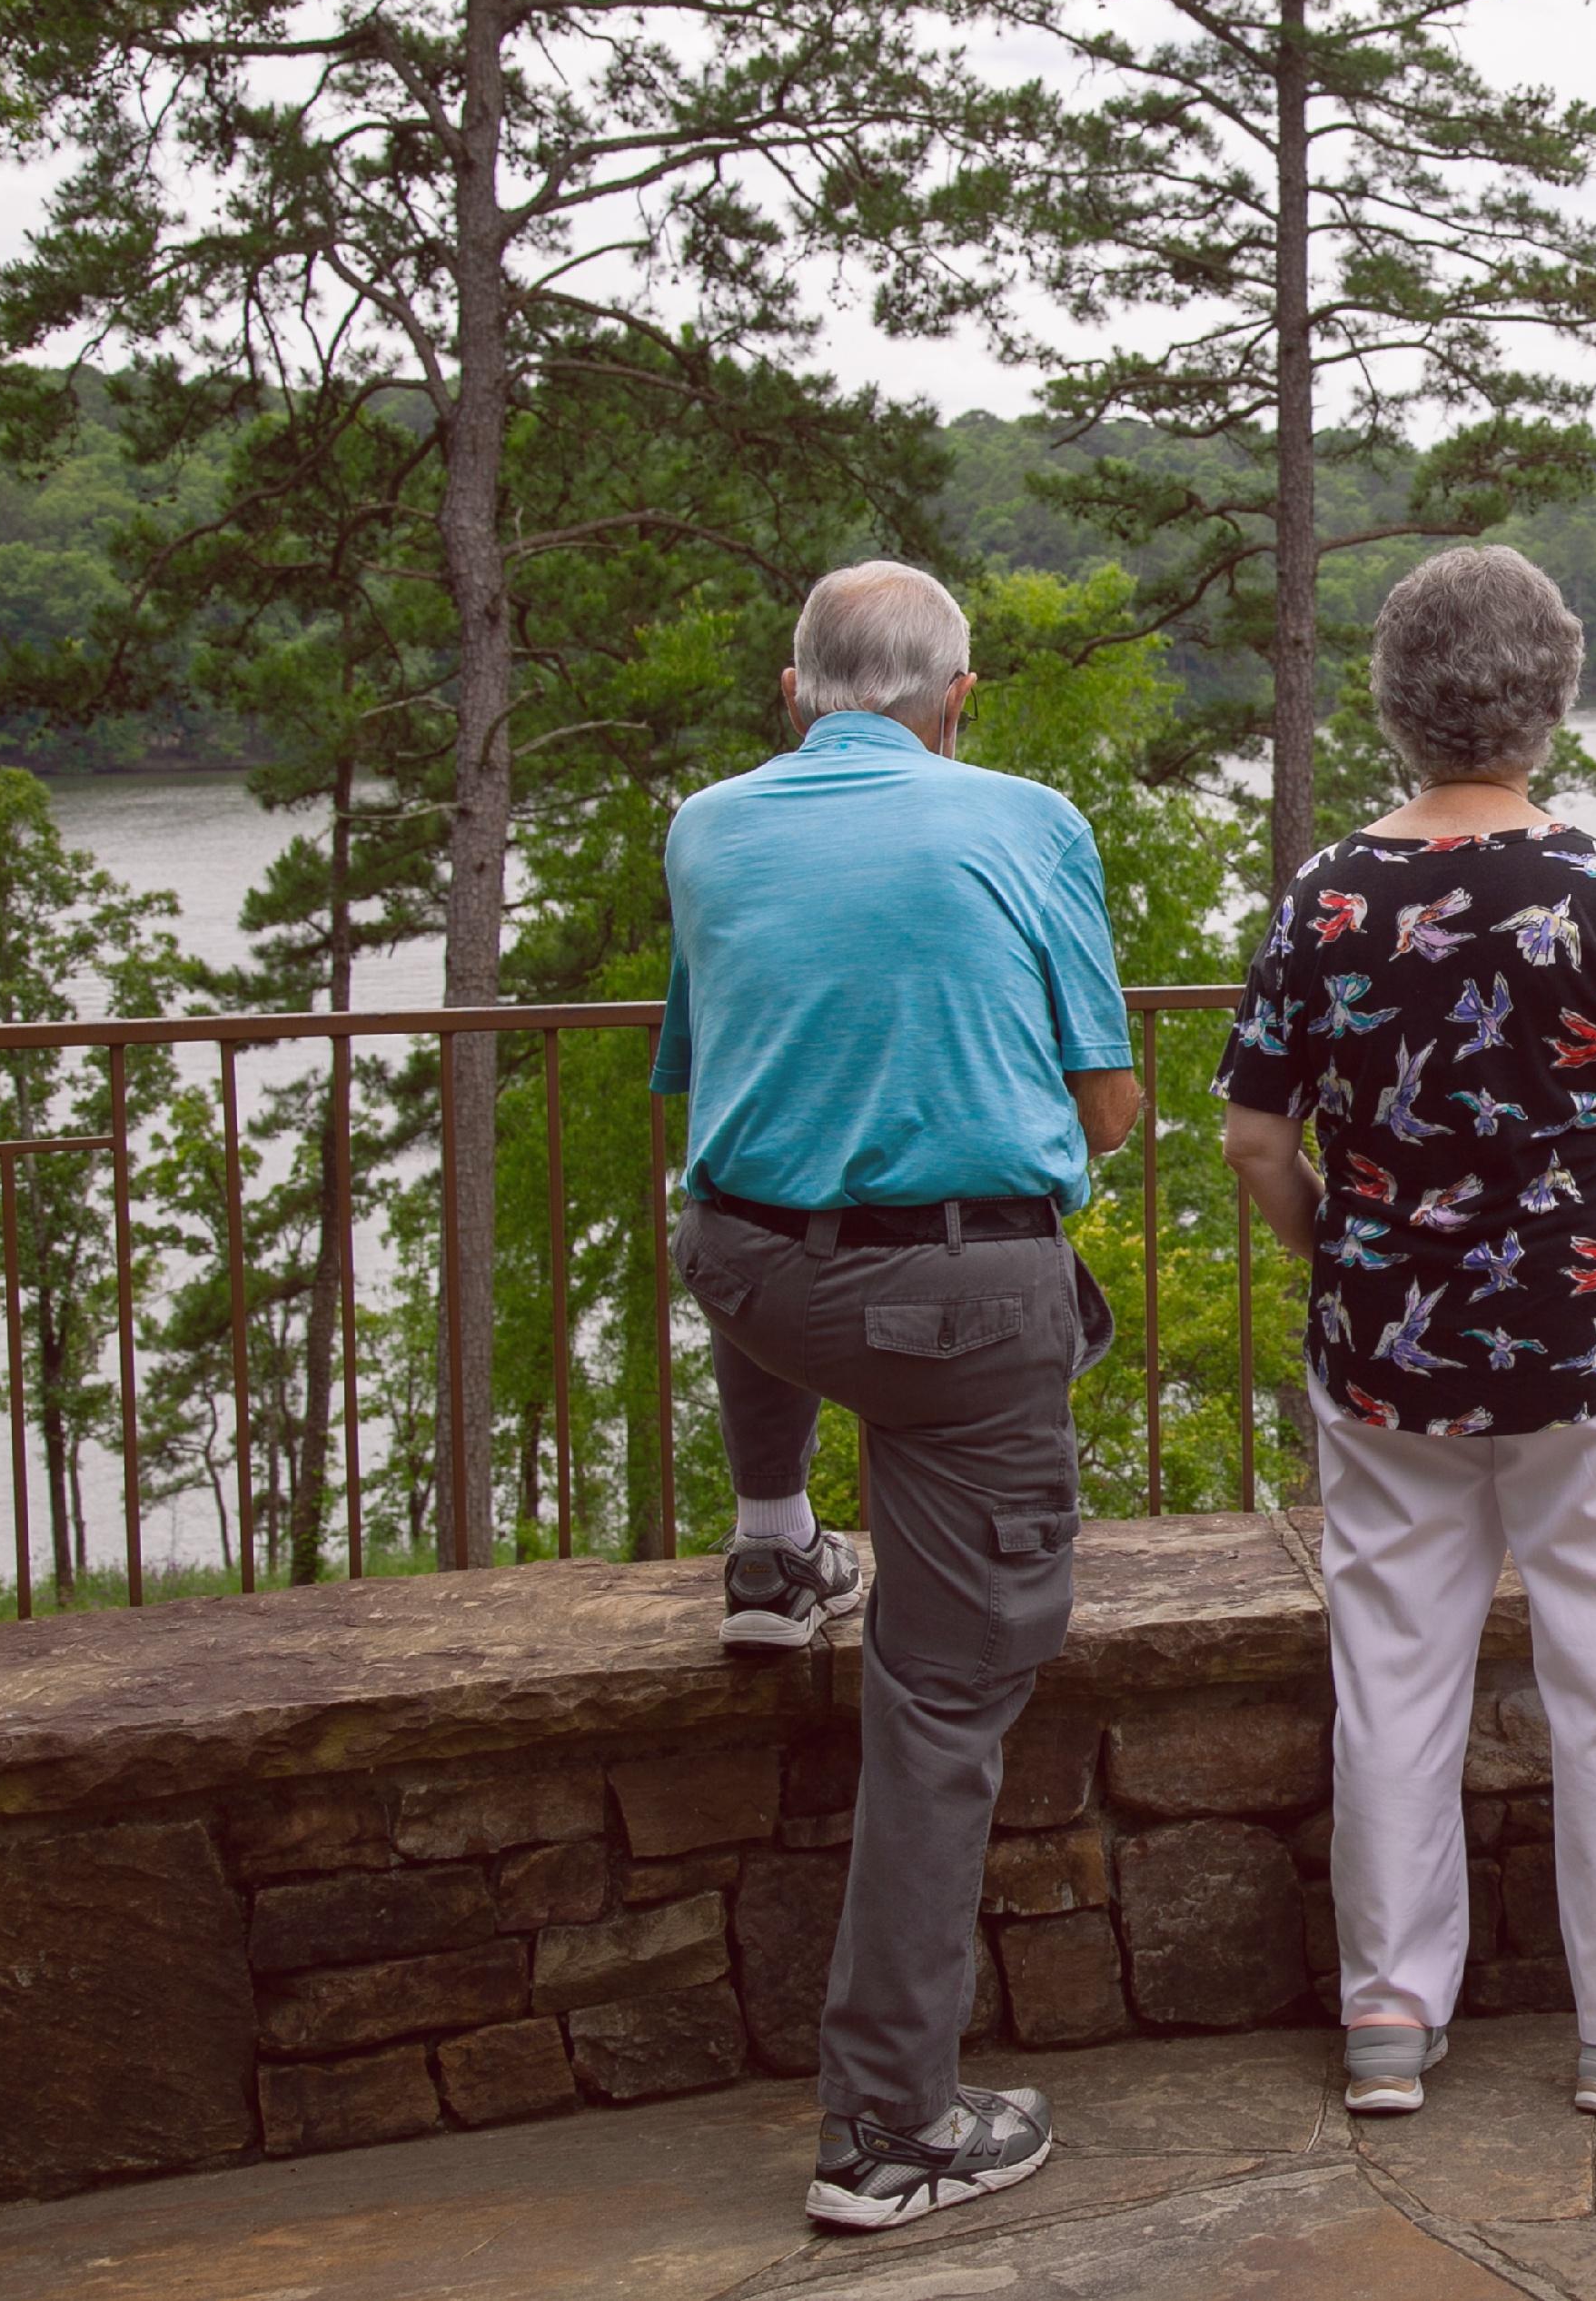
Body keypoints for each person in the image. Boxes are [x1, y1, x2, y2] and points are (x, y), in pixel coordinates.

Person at [1217, 546, 1596, 2120]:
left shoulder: (1324, 898)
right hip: (1595, 1349)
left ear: (1394, 702)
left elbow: (1257, 1144)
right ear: (1552, 694)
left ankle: (1388, 2017)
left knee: (1391, 1668)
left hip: (1385, 1348)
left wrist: (1349, 1262)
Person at [653, 560, 1143, 2231]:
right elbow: (1109, 1096)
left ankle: (774, 1548)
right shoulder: (1024, 814)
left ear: (794, 694)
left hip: (750, 1272)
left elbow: (706, 1074)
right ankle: (886, 2129)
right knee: (939, 1702)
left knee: (752, 1188)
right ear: (959, 701)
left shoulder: (706, 826)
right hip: (956, 1308)